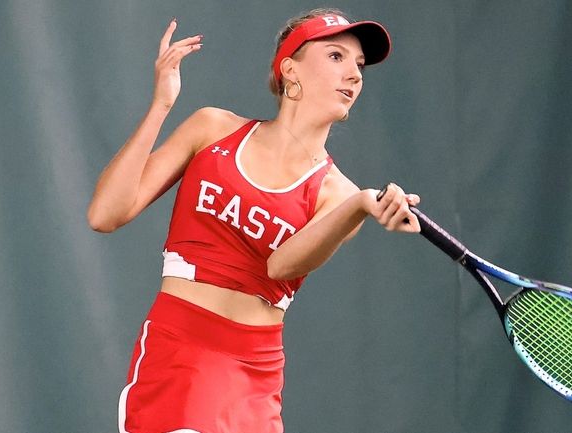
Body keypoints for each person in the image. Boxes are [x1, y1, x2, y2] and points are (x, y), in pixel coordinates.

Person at [87, 7, 420, 433]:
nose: (355, 75)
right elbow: (105, 214)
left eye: (358, 66)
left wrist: (360, 205)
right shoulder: (213, 129)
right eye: (336, 57)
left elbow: (280, 266)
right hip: (182, 349)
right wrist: (161, 105)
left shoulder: (342, 196)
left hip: (257, 371)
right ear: (290, 70)